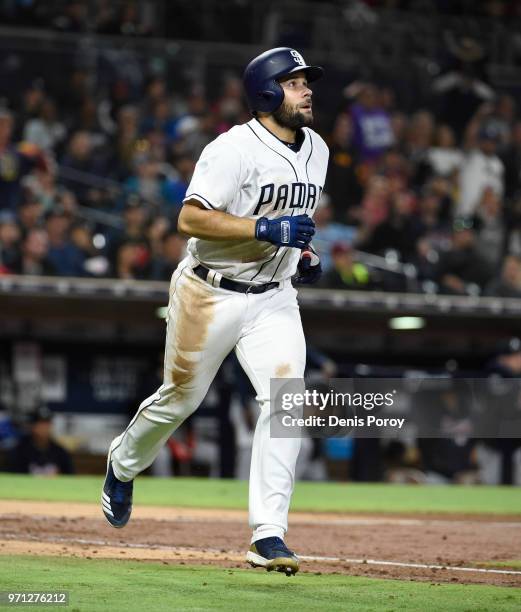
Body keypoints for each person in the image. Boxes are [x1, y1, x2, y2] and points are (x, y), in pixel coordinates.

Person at [101, 47, 328, 576]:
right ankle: (123, 461)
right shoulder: (233, 149)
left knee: (286, 398)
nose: (307, 90)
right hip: (211, 292)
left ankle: (268, 534)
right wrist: (264, 230)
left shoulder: (316, 148)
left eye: (305, 82)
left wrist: (304, 253)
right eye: (295, 83)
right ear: (268, 92)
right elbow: (190, 218)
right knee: (180, 398)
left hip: (274, 295)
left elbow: (291, 220)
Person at [8, 406, 74, 475]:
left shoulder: (60, 452)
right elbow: (9, 477)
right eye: (40, 423)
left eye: (47, 423)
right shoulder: (19, 451)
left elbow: (70, 477)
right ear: (32, 426)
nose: (44, 428)